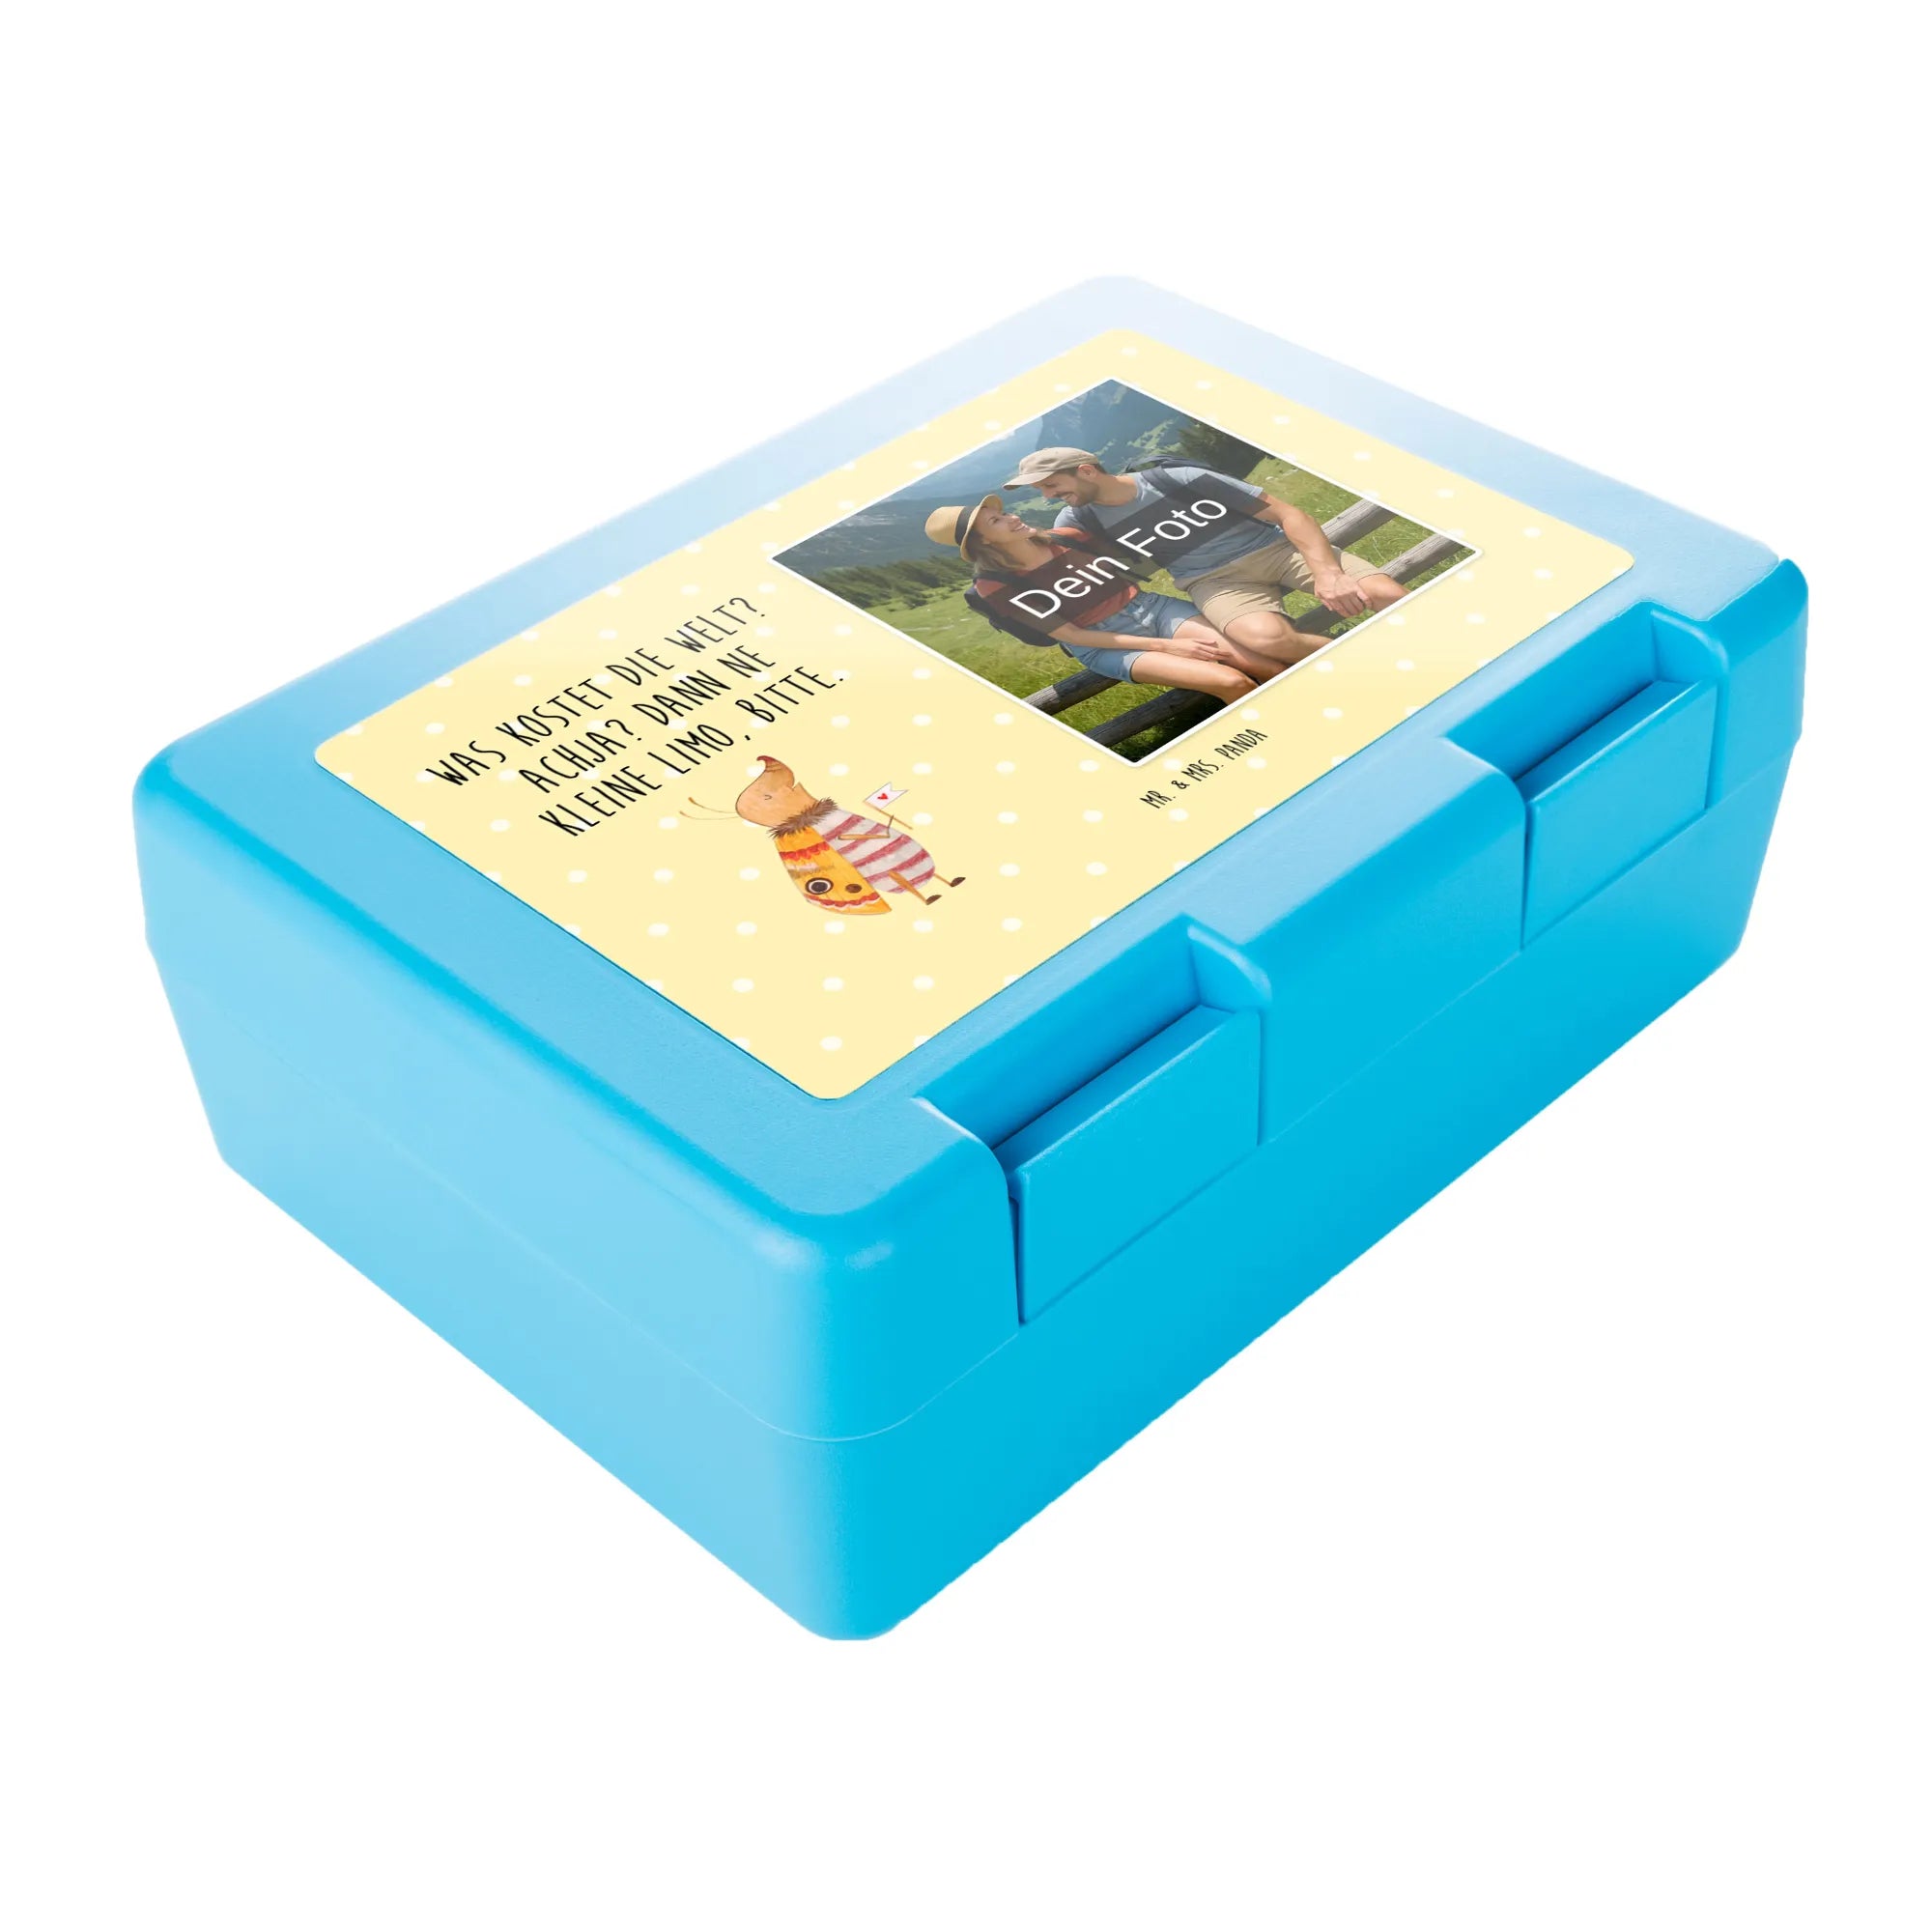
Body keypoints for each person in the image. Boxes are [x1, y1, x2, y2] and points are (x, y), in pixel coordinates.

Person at [1007, 446, 1407, 667]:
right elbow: (1048, 566)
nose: (1048, 496)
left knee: (1385, 594)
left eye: (1051, 485)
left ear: (1086, 471)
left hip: (1276, 550)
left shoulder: (1176, 479)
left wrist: (1329, 574)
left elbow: (1288, 514)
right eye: (1042, 491)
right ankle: (1368, 665)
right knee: (1265, 639)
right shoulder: (1078, 520)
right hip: (1212, 582)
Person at [923, 495, 1284, 709]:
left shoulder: (1067, 536)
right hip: (1100, 643)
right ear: (984, 542)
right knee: (1231, 682)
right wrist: (1167, 646)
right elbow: (1072, 635)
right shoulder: (994, 585)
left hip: (1152, 608)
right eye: (997, 521)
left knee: (1264, 665)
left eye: (1004, 513)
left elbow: (1141, 546)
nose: (1013, 517)